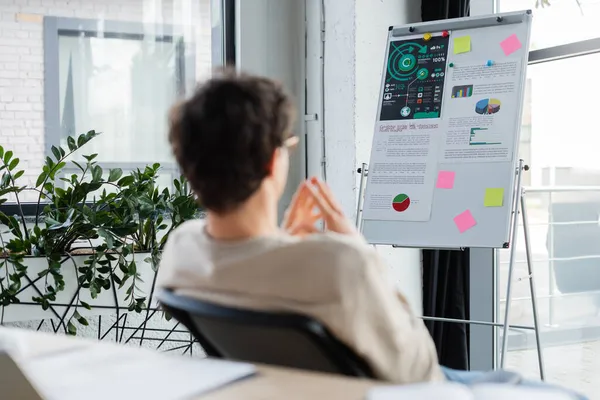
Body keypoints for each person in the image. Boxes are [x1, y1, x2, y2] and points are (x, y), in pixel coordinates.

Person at [157, 69, 585, 399]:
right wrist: (353, 246)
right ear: (273, 161)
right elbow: (418, 370)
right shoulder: (340, 262)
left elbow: (252, 270)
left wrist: (286, 246)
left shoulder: (180, 250)